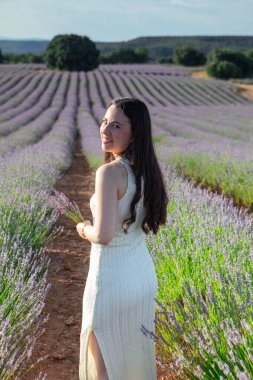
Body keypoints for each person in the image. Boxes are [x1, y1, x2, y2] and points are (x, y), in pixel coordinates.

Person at [76, 97, 168, 380]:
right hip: (140, 278)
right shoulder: (148, 172)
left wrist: (82, 228)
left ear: (135, 133)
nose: (105, 129)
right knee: (133, 361)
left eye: (116, 125)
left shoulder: (109, 172)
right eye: (104, 122)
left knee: (104, 366)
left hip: (111, 281)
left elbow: (102, 236)